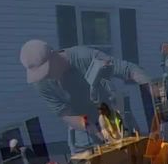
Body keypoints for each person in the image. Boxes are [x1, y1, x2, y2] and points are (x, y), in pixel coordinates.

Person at [19, 39, 150, 147]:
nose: (47, 77)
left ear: (54, 56)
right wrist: (90, 127)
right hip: (83, 131)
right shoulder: (41, 82)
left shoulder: (85, 57)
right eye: (42, 75)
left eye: (47, 71)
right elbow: (65, 113)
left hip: (113, 115)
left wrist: (154, 91)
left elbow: (128, 70)